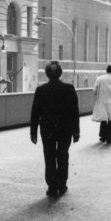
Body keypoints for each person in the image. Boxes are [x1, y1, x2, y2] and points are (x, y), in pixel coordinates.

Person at [30, 61, 80, 197]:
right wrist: (76, 131)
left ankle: (52, 186)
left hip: (47, 130)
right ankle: (62, 184)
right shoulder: (69, 89)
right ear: (60, 73)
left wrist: (33, 132)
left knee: (50, 157)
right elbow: (74, 112)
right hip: (65, 130)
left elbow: (35, 113)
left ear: (47, 74)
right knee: (63, 156)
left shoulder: (41, 90)